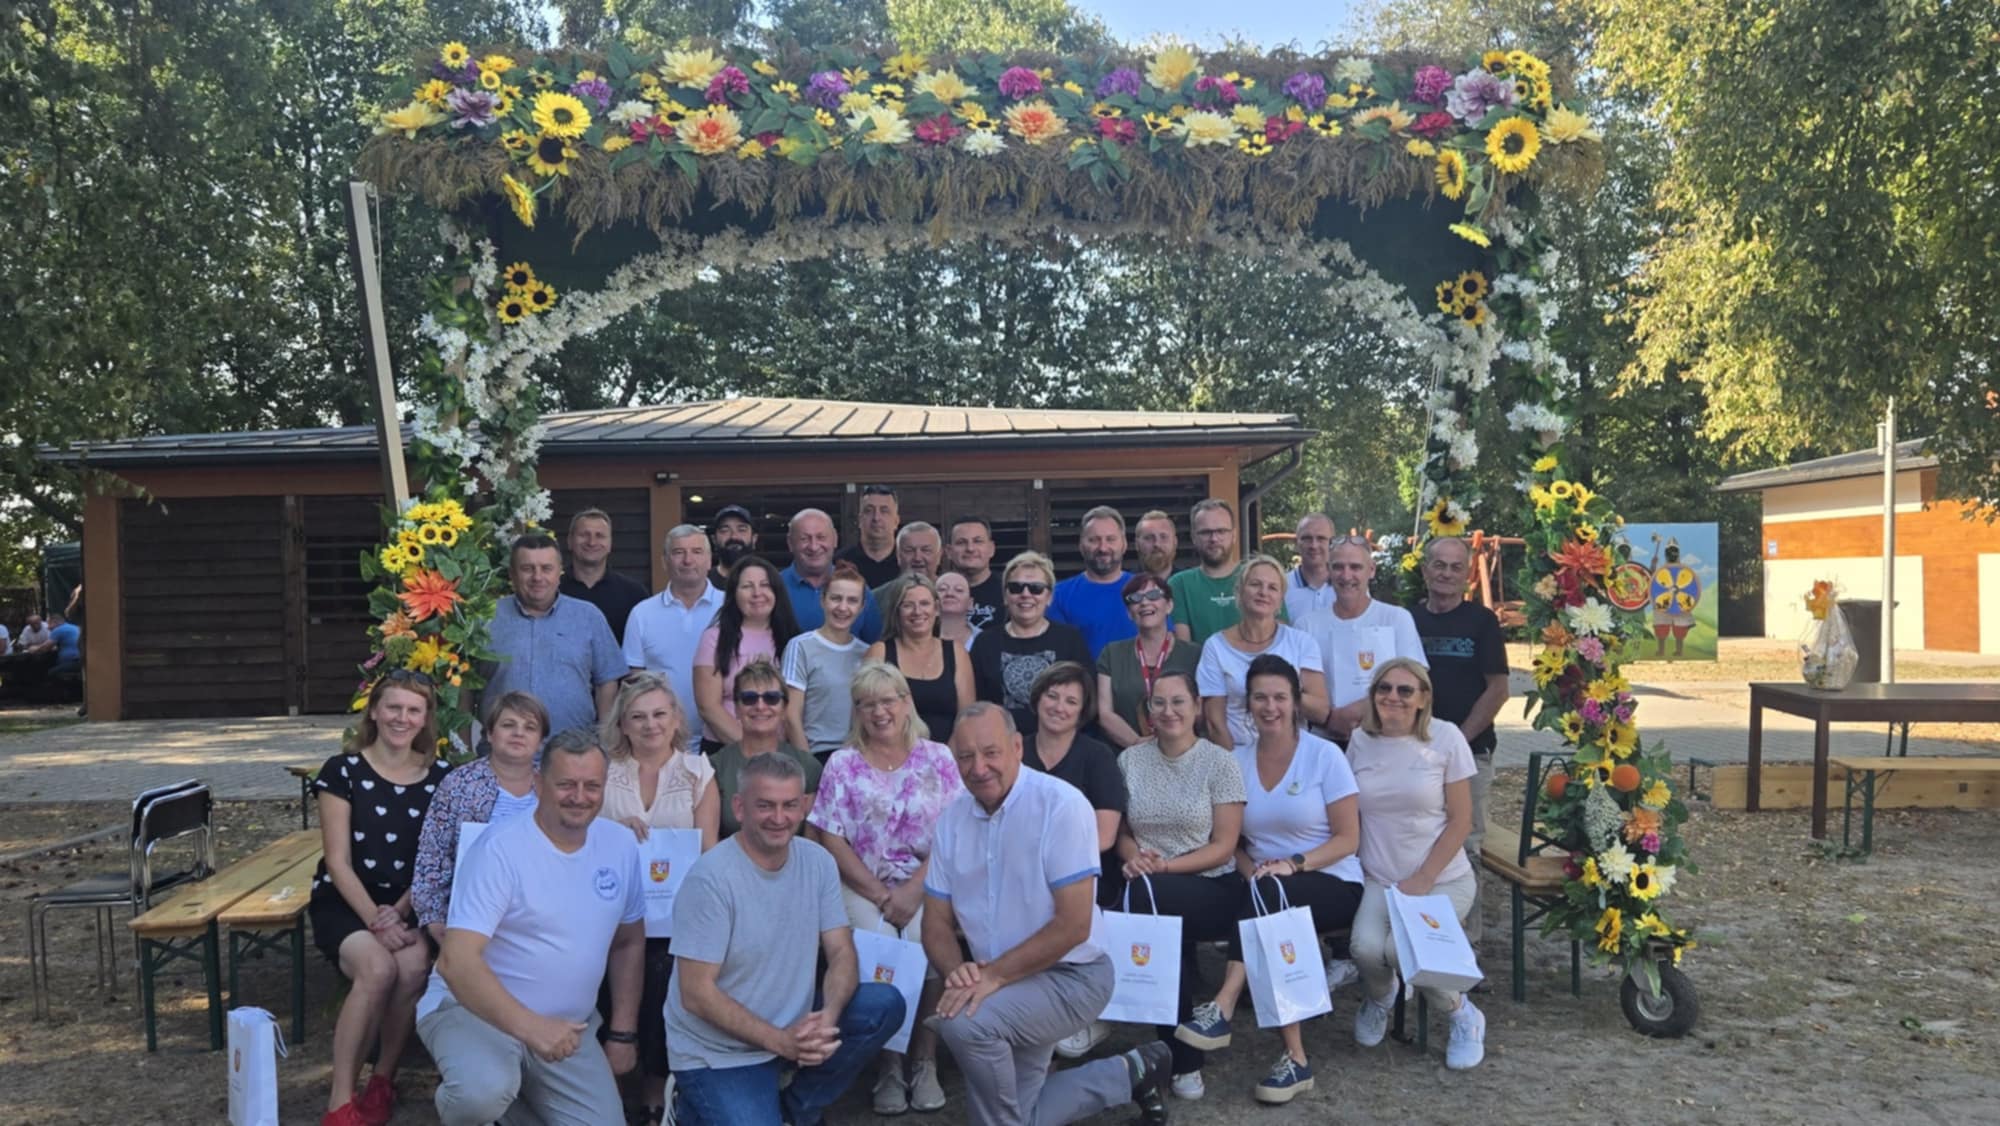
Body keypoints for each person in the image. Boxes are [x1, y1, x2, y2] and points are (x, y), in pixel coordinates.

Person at [923, 703, 1172, 1126]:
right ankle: (1131, 1071)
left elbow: (1073, 925)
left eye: (991, 752)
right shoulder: (952, 820)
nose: (979, 768)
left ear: (1017, 747)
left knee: (965, 1024)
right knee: (1024, 1112)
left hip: (1073, 976)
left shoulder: (1061, 805)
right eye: (965, 756)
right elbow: (934, 923)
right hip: (1004, 982)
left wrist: (992, 977)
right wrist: (957, 973)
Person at [417, 729, 645, 1126]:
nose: (579, 796)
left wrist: (622, 1032)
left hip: (566, 1029)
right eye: (566, 784)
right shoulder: (499, 849)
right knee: (481, 1093)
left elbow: (628, 942)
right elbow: (456, 962)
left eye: (592, 785)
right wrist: (533, 1028)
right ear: (538, 783)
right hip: (475, 1012)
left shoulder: (620, 845)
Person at [667, 752, 905, 1124]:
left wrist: (827, 1019)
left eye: (790, 805)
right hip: (719, 1052)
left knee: (884, 1004)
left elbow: (841, 952)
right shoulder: (710, 879)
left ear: (804, 807)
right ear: (739, 808)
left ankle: (797, 1108)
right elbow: (696, 994)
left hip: (793, 1025)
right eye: (765, 805)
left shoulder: (817, 862)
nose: (779, 818)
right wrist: (782, 1042)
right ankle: (688, 1105)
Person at [1175, 655, 1364, 1105]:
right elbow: (1232, 842)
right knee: (1268, 907)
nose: (1270, 706)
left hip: (1331, 880)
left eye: (1280, 697)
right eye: (1260, 697)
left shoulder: (1324, 756)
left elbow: (1348, 839)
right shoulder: (1234, 761)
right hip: (1262, 887)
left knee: (1269, 897)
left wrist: (1294, 864)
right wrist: (1255, 873)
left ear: (1296, 702)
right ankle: (1295, 1058)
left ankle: (1224, 1002)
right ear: (1248, 703)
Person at [806, 662, 965, 1115]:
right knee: (877, 944)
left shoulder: (938, 757)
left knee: (925, 939)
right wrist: (879, 894)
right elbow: (831, 837)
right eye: (867, 704)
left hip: (928, 880)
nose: (879, 712)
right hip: (861, 882)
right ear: (856, 711)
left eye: (887, 700)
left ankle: (925, 1058)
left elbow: (956, 832)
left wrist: (915, 889)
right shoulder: (842, 763)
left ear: (906, 702)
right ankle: (889, 1063)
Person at [309, 670, 451, 1126]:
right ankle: (340, 1098)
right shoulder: (342, 771)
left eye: (413, 710)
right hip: (348, 900)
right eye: (393, 707)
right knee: (377, 968)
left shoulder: (441, 778)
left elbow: (434, 860)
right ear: (374, 711)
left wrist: (402, 911)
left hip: (409, 902)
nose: (401, 718)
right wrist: (376, 919)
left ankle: (383, 1078)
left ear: (425, 718)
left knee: (411, 967)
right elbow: (337, 860)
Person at [1345, 658, 1486, 1069]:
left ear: (1423, 697)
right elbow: (1351, 811)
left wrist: (1425, 877)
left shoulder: (1446, 738)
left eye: (1405, 690)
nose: (1393, 697)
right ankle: (1381, 996)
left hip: (1441, 878)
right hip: (1381, 878)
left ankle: (1462, 1013)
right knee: (1365, 949)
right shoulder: (1360, 741)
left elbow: (1462, 820)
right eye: (1384, 688)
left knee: (1404, 950)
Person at [1113, 669, 1247, 1101]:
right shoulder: (1131, 760)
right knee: (1159, 923)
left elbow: (1224, 846)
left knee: (1147, 901)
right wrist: (1133, 857)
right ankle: (1184, 1060)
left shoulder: (1220, 762)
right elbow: (1121, 830)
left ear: (1196, 707)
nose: (1168, 711)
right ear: (1148, 710)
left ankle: (1107, 1009)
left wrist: (1165, 868)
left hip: (1211, 884)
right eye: (1159, 702)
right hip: (1150, 884)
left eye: (1178, 702)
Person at [599, 672, 721, 1121]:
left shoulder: (698, 773)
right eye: (638, 717)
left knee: (665, 966)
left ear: (676, 720)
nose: (650, 725)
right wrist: (613, 830)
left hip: (676, 912)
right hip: (607, 906)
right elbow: (576, 836)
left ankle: (655, 1085)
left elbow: (708, 853)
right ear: (622, 724)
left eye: (659, 714)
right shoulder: (601, 770)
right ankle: (606, 1082)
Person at [1021, 662, 1128, 1060]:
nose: (1059, 707)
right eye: (1052, 696)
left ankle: (1077, 1013)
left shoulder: (1097, 756)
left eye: (1071, 701)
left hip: (1082, 873)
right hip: (1018, 870)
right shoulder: (1015, 750)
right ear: (1037, 699)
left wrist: (1045, 863)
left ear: (1082, 712)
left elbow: (1105, 836)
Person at [1407, 535, 1509, 945]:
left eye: (1455, 567)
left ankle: (1465, 945)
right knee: (1415, 842)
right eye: (1439, 565)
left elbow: (1498, 689)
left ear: (1467, 575)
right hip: (1412, 753)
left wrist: (1456, 741)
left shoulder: (1482, 623)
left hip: (1469, 754)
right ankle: (1417, 936)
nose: (1446, 574)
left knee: (1465, 845)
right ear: (1425, 570)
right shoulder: (1407, 620)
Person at [413, 692, 548, 943]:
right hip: (470, 916)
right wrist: (434, 918)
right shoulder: (459, 783)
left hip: (539, 919)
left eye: (530, 728)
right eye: (508, 725)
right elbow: (433, 854)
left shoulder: (553, 789)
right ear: (489, 734)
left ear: (541, 741)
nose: (518, 733)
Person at [484, 531, 625, 741]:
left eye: (546, 568)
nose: (537, 577)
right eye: (527, 569)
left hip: (574, 750)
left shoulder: (588, 616)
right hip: (503, 751)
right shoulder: (485, 618)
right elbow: (465, 687)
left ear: (559, 571)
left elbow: (607, 681)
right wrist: (463, 745)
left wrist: (606, 741)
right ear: (512, 574)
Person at [1301, 536, 1426, 744]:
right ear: (1328, 571)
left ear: (1372, 570)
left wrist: (1355, 712)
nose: (1346, 575)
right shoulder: (1307, 625)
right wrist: (1328, 718)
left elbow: (1416, 680)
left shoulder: (1397, 618)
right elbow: (1297, 688)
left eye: (1355, 567)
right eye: (1338, 567)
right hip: (1325, 740)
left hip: (1386, 740)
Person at [1197, 555, 1329, 751]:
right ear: (1239, 591)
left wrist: (1282, 692)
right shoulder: (1215, 647)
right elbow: (1214, 722)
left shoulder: (1301, 643)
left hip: (1292, 753)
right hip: (1236, 754)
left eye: (1272, 587)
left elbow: (1320, 711)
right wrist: (1234, 765)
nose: (1263, 592)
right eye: (1255, 584)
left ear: (1281, 600)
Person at [623, 524, 726, 752]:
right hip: (661, 741)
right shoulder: (642, 614)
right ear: (664, 561)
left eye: (697, 552)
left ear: (710, 561)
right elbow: (634, 683)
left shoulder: (730, 607)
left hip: (722, 740)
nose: (688, 560)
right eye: (679, 552)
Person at [970, 552, 1091, 735]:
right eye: (1016, 588)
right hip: (1001, 742)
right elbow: (976, 704)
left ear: (1049, 597)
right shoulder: (985, 642)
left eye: (1036, 588)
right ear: (1005, 596)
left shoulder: (1069, 639)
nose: (1025, 594)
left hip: (1058, 741)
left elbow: (1086, 697)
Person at [694, 556, 801, 754]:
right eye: (747, 586)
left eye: (765, 585)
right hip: (725, 751)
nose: (757, 593)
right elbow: (708, 707)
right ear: (733, 594)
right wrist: (755, 752)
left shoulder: (795, 640)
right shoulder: (714, 639)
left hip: (782, 753)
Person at [710, 659, 822, 838]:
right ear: (736, 709)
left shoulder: (809, 767)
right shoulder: (715, 767)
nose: (760, 706)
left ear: (784, 708)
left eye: (771, 698)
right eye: (749, 698)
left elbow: (812, 840)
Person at [867, 574, 975, 747]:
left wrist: (944, 757)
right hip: (893, 754)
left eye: (924, 604)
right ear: (896, 611)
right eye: (908, 605)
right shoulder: (879, 652)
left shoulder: (956, 653)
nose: (917, 611)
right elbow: (868, 714)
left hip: (948, 755)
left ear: (937, 608)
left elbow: (966, 718)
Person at [1097, 573, 1200, 750]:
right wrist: (1138, 745)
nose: (1144, 602)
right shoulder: (1111, 653)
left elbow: (1202, 711)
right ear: (1129, 613)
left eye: (1153, 595)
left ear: (1169, 605)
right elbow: (1105, 713)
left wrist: (1170, 744)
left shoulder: (1195, 654)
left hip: (1184, 753)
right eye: (1135, 598)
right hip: (1126, 754)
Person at [782, 563, 871, 759]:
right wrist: (809, 766)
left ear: (862, 607)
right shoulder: (800, 647)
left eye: (852, 601)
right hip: (816, 755)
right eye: (836, 598)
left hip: (859, 757)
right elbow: (790, 716)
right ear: (823, 600)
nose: (843, 607)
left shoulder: (867, 653)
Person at [782, 508, 882, 642]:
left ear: (835, 539)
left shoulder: (856, 588)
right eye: (804, 539)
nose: (813, 546)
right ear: (790, 543)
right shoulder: (775, 588)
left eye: (821, 537)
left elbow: (875, 644)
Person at [1050, 505, 1137, 659]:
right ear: (1081, 546)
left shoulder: (1145, 590)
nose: (1103, 548)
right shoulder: (1059, 596)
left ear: (1124, 544)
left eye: (1110, 539)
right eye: (1094, 540)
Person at [559, 508, 649, 645]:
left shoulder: (634, 594)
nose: (592, 542)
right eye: (584, 535)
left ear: (610, 544)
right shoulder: (553, 590)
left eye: (600, 536)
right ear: (569, 541)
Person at [1168, 499, 1249, 644]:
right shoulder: (1179, 584)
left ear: (1234, 535)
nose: (1214, 539)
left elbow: (1278, 637)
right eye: (1206, 532)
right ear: (1193, 537)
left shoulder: (1256, 579)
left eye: (1221, 531)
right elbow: (1183, 647)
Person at [838, 484, 904, 589]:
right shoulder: (840, 562)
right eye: (869, 510)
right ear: (859, 520)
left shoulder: (906, 562)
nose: (876, 518)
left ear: (896, 521)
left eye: (884, 511)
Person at [948, 515, 1004, 631]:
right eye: (961, 542)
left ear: (991, 549)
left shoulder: (1010, 590)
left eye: (978, 541)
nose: (970, 548)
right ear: (949, 551)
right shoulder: (938, 592)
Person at [1283, 513, 1339, 624]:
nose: (1314, 545)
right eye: (1307, 538)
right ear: (1296, 543)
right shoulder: (1281, 587)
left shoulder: (1348, 586)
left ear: (1332, 543)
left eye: (1321, 538)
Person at [709, 504, 757, 587]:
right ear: (714, 540)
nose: (734, 536)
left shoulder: (768, 581)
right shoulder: (702, 583)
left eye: (741, 530)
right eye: (725, 530)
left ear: (754, 539)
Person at [935, 570, 981, 649]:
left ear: (970, 603)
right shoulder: (919, 638)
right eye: (943, 589)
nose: (949, 593)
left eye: (959, 590)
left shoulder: (986, 640)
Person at [1133, 510, 1179, 584]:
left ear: (1175, 542)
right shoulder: (1124, 585)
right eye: (1148, 538)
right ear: (1137, 544)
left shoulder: (1186, 585)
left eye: (1163, 537)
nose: (1157, 544)